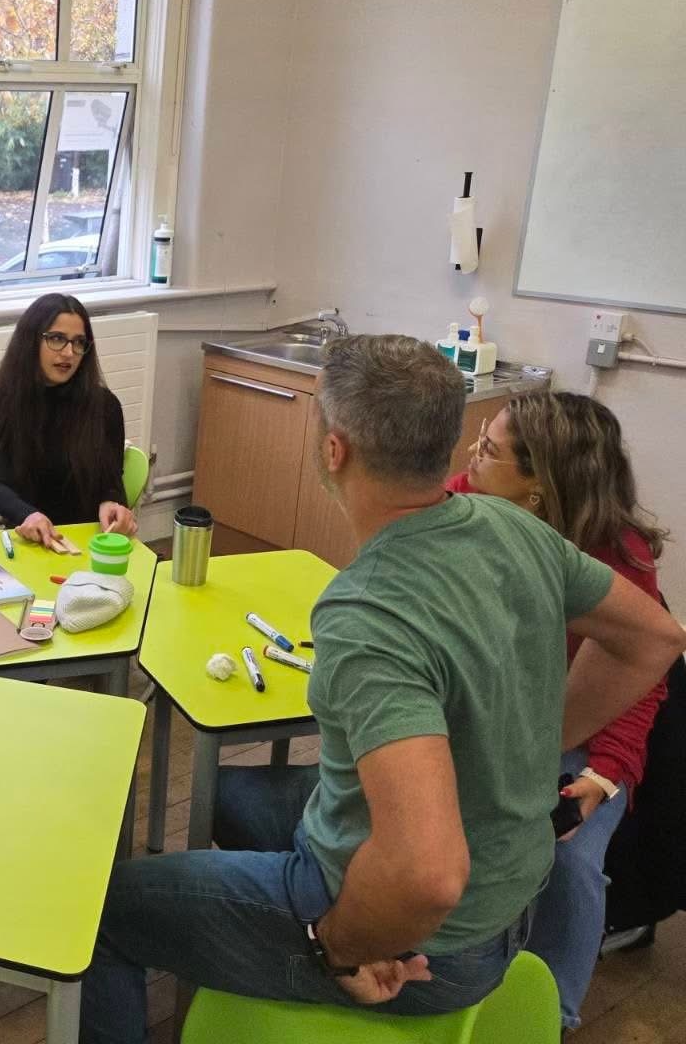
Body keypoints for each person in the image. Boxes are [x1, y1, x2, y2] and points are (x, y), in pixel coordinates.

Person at [80, 335, 686, 1041]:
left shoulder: (366, 615)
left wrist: (340, 944)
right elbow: (656, 637)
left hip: (432, 952)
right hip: (511, 904)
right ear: (446, 441)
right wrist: (544, 741)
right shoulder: (513, 527)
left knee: (100, 916)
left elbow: (428, 874)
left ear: (334, 450)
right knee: (232, 798)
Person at [448, 391, 670, 1030]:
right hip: (503, 719)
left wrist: (603, 776)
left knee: (568, 859)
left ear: (538, 488)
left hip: (585, 739)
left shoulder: (617, 558)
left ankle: (553, 1018)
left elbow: (642, 683)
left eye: (489, 449)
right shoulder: (467, 500)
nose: (471, 456)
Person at [0, 294, 136, 549]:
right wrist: (28, 515)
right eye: (57, 339)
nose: (69, 353)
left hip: (90, 540)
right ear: (31, 341)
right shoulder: (8, 402)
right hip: (31, 539)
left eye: (79, 342)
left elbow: (111, 480)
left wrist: (112, 503)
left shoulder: (105, 406)